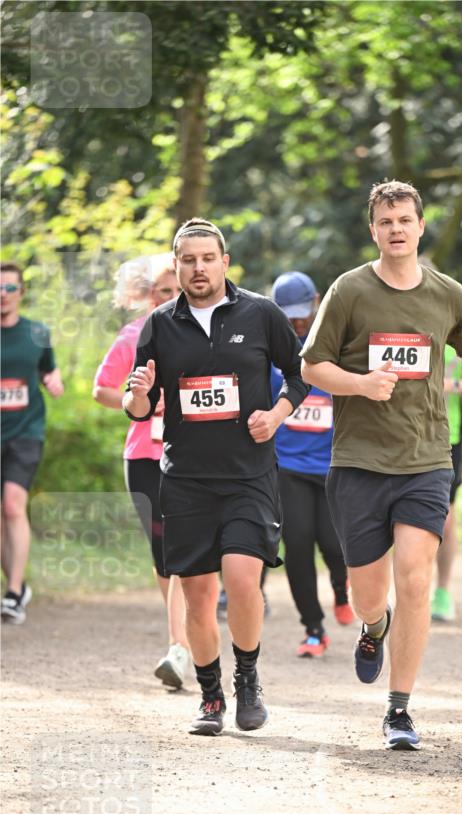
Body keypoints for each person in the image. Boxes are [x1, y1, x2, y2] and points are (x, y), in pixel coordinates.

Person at [301, 179, 462, 751]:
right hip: (360, 460)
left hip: (425, 458)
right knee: (371, 593)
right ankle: (372, 627)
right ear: (374, 230)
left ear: (420, 226)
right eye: (385, 221)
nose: (396, 229)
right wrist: (362, 384)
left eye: (404, 220)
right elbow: (313, 367)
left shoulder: (446, 294)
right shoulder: (349, 291)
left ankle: (400, 710)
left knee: (414, 578)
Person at [122, 218, 308, 736]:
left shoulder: (261, 313)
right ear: (176, 264)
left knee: (244, 580)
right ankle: (210, 697)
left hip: (249, 473)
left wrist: (276, 414)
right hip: (185, 479)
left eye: (208, 258)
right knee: (199, 595)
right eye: (188, 259)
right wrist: (138, 396)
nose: (198, 268)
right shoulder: (159, 324)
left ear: (225, 262)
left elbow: (298, 375)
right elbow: (140, 405)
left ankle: (247, 679)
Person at [93, 255, 192, 688]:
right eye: (162, 292)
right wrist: (139, 404)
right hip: (142, 456)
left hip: (189, 454)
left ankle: (180, 645)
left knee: (180, 549)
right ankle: (181, 635)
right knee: (162, 553)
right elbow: (101, 389)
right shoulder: (132, 335)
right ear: (145, 294)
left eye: (176, 291)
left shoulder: (196, 333)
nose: (169, 299)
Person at [270, 271, 354, 659]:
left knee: (335, 546)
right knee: (299, 544)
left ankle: (341, 589)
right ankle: (313, 630)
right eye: (288, 315)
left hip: (333, 465)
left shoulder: (337, 345)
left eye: (302, 313)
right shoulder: (270, 351)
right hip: (287, 465)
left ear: (317, 301)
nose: (297, 321)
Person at [1, 262, 64, 624]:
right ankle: (18, 584)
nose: (3, 295)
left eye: (10, 288)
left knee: (13, 505)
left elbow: (47, 368)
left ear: (21, 292)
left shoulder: (37, 332)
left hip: (26, 431)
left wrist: (52, 381)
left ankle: (12, 594)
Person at [431, 343, 462, 622]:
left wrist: (445, 384)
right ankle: (407, 588)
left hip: (449, 439)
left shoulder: (459, 335)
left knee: (445, 518)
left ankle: (442, 591)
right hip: (406, 436)